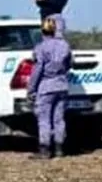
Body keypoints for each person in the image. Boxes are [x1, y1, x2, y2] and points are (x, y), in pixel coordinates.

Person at [28, 16, 72, 160]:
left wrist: (31, 89)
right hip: (62, 85)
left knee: (44, 119)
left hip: (46, 86)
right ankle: (59, 149)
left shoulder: (41, 48)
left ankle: (45, 150)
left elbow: (37, 70)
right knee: (59, 119)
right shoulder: (64, 45)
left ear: (42, 31)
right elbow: (69, 64)